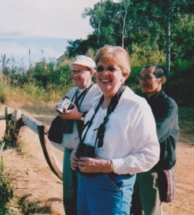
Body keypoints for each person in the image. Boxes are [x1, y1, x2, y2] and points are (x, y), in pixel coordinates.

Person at [70, 45, 160, 215]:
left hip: (112, 187)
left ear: (124, 74)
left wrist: (108, 166)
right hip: (85, 184)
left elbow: (150, 155)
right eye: (100, 68)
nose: (104, 74)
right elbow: (89, 138)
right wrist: (76, 153)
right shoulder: (96, 102)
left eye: (111, 68)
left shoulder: (136, 106)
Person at [130, 65, 179, 215]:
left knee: (152, 211)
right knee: (133, 210)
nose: (143, 81)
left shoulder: (168, 105)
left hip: (153, 170)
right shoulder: (140, 103)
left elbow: (155, 135)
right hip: (135, 166)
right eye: (140, 78)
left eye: (147, 77)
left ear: (161, 80)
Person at [56, 55, 101, 215]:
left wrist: (79, 116)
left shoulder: (98, 93)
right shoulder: (72, 92)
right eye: (73, 72)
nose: (75, 75)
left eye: (79, 71)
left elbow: (101, 121)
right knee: (69, 194)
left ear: (92, 72)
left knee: (86, 195)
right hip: (69, 152)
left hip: (87, 154)